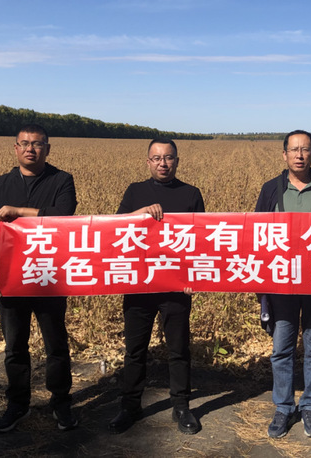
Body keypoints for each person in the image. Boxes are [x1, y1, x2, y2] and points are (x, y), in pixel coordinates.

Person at [0, 124, 78, 432]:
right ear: (15, 148)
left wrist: (19, 211)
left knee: (56, 344)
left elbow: (64, 217)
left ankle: (61, 403)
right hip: (11, 279)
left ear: (48, 148)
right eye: (24, 143)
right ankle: (17, 404)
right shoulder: (1, 184)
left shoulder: (61, 180)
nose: (30, 149)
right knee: (14, 346)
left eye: (37, 144)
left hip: (50, 277)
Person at [108, 138, 205, 435]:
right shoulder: (135, 191)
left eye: (169, 158)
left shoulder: (191, 193)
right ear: (148, 162)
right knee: (135, 349)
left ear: (177, 161)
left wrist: (194, 278)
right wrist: (138, 214)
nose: (163, 163)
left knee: (178, 348)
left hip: (176, 285)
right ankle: (130, 406)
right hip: (139, 284)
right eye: (157, 158)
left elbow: (201, 239)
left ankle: (181, 406)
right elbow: (113, 229)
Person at [254, 129, 311, 438]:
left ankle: (310, 406)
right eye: (294, 149)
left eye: (305, 149)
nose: (299, 155)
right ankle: (283, 407)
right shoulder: (271, 190)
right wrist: (261, 285)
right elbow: (256, 236)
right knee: (282, 348)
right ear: (284, 154)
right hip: (281, 282)